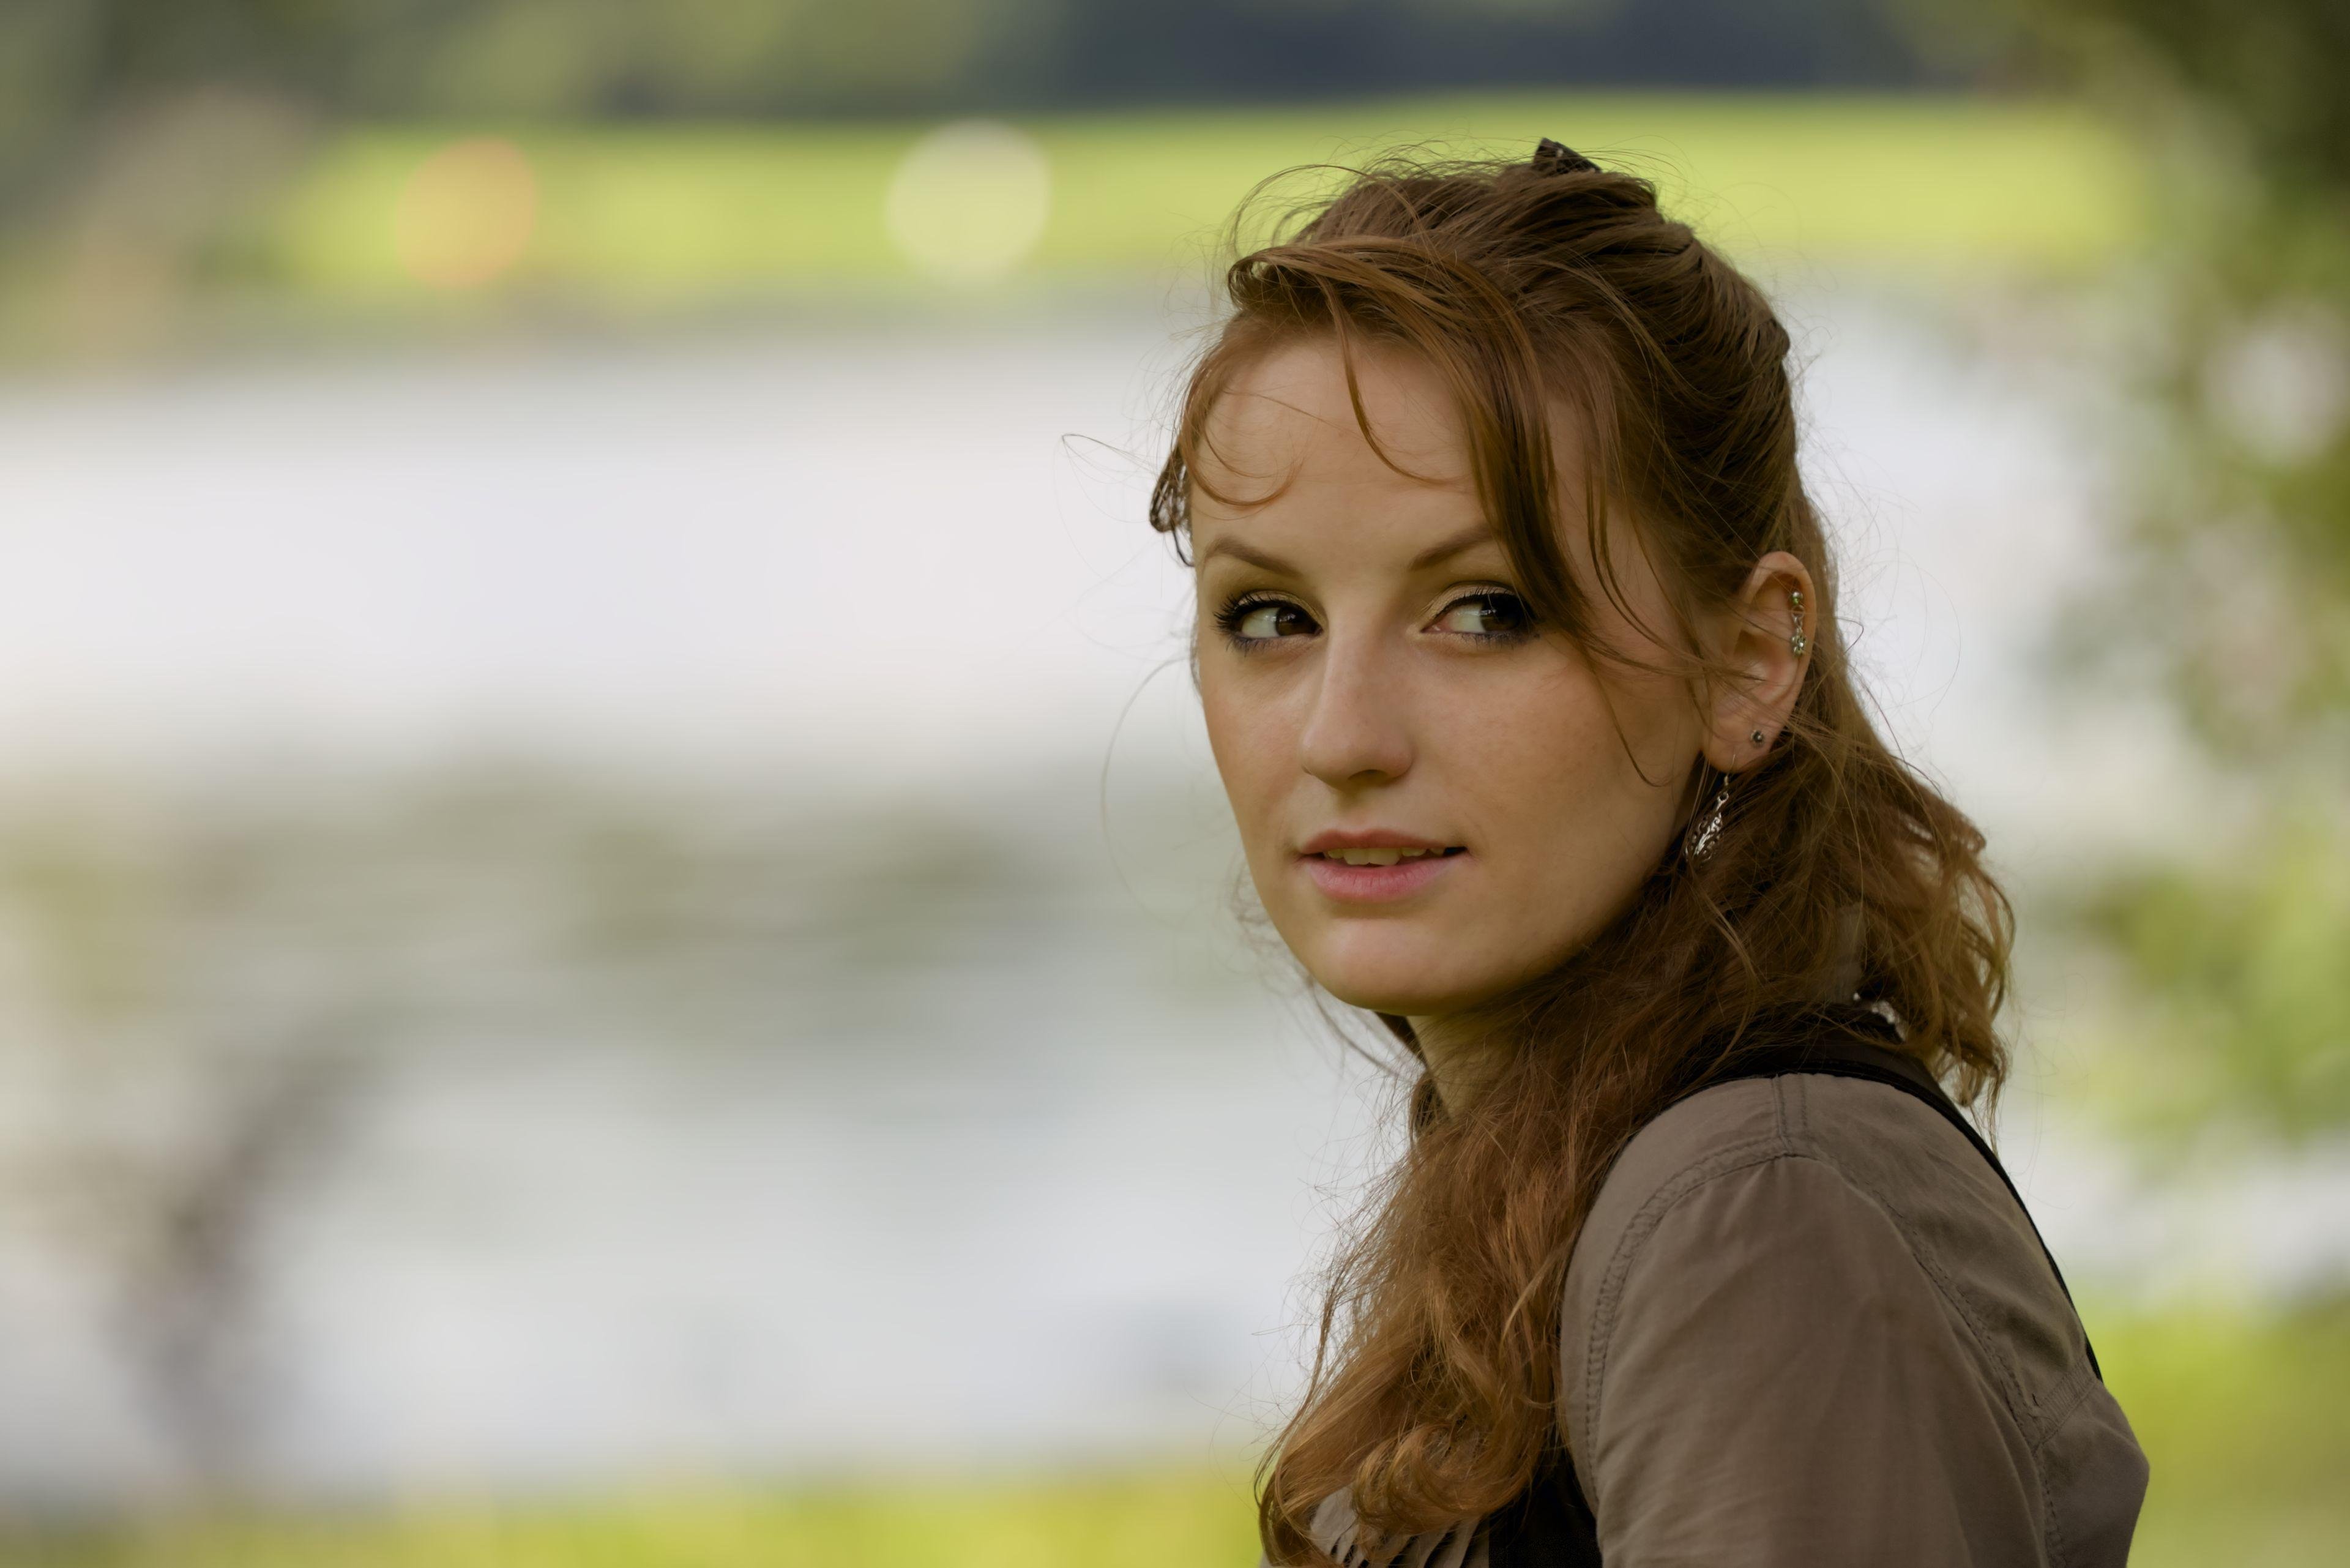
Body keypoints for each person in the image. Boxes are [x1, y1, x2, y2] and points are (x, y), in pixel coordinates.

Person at [1146, 141, 2150, 1566]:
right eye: (1270, 617)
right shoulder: (1562, 1169)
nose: (1339, 735)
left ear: (1747, 659)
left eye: (1487, 611)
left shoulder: (1756, 1220)